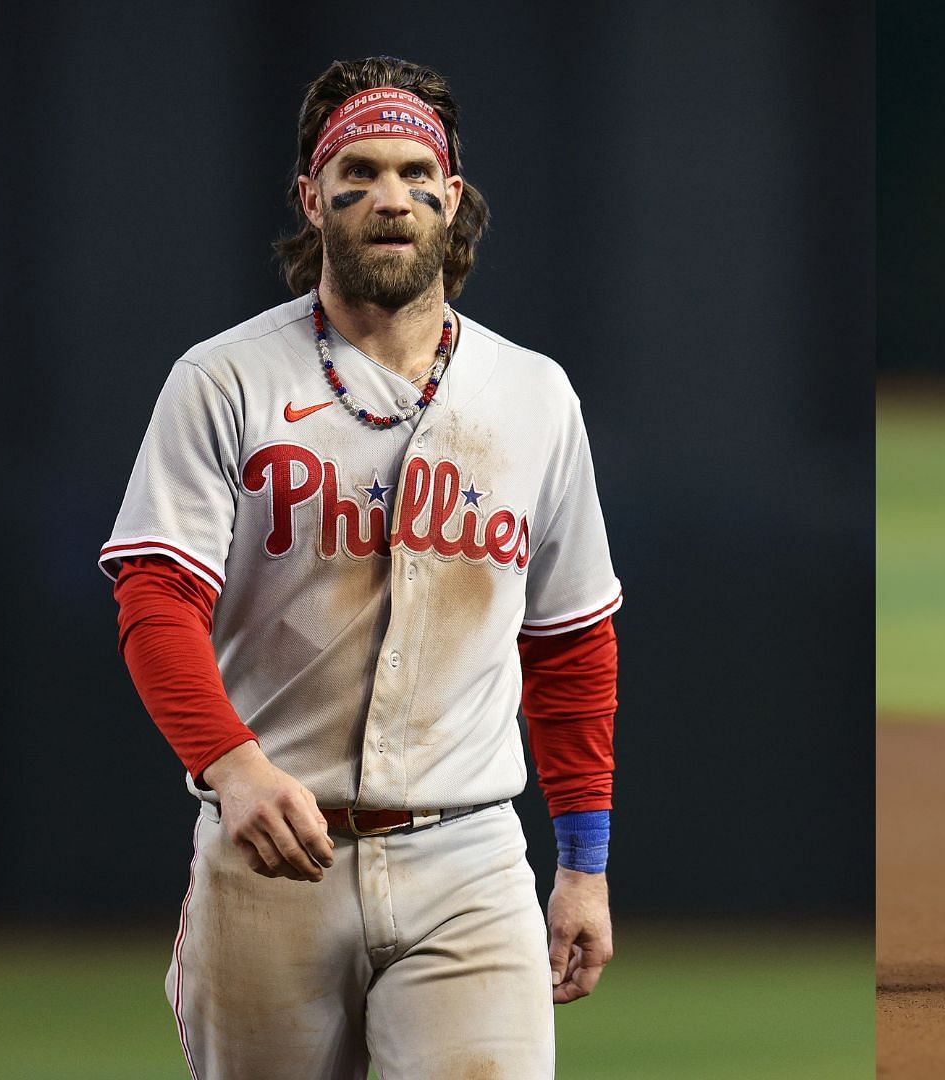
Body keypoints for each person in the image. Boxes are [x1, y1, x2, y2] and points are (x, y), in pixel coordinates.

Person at [100, 56, 621, 1076]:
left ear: (450, 198)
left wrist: (585, 867)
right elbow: (156, 598)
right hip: (269, 857)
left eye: (415, 173)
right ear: (313, 198)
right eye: (360, 172)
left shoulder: (535, 395)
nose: (391, 196)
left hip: (468, 852)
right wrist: (231, 765)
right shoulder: (225, 381)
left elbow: (570, 645)